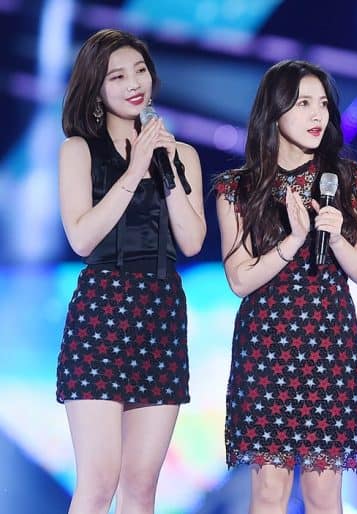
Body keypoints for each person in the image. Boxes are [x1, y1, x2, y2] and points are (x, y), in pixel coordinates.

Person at [213, 59, 357, 514]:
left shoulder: (351, 182)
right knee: (270, 491)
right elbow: (239, 278)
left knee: (323, 493)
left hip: (328, 343)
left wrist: (336, 236)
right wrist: (293, 241)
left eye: (323, 104)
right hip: (267, 345)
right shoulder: (238, 188)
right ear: (275, 110)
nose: (316, 114)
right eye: (303, 103)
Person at [55, 28, 206, 514]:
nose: (133, 83)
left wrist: (165, 167)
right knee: (99, 481)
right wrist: (133, 169)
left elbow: (192, 241)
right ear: (96, 89)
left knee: (141, 486)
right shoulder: (78, 150)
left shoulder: (181, 155)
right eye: (117, 76)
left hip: (161, 312)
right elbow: (81, 239)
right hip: (102, 313)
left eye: (139, 71)